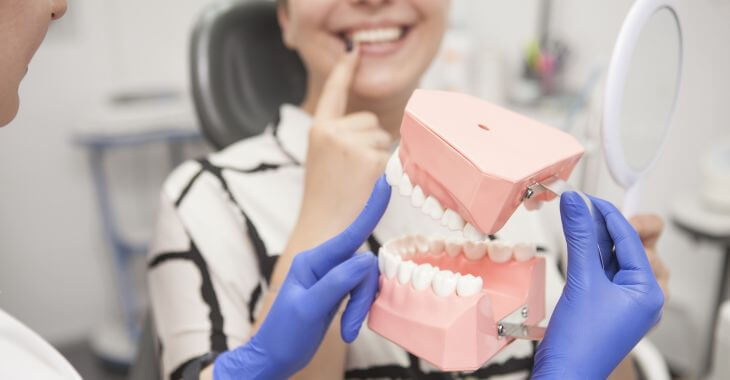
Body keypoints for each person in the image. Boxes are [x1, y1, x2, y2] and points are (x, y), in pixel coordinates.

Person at [0, 1, 666, 379]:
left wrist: (618, 344)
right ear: (284, 17)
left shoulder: (531, 186)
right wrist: (319, 215)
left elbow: (557, 342)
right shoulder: (205, 199)